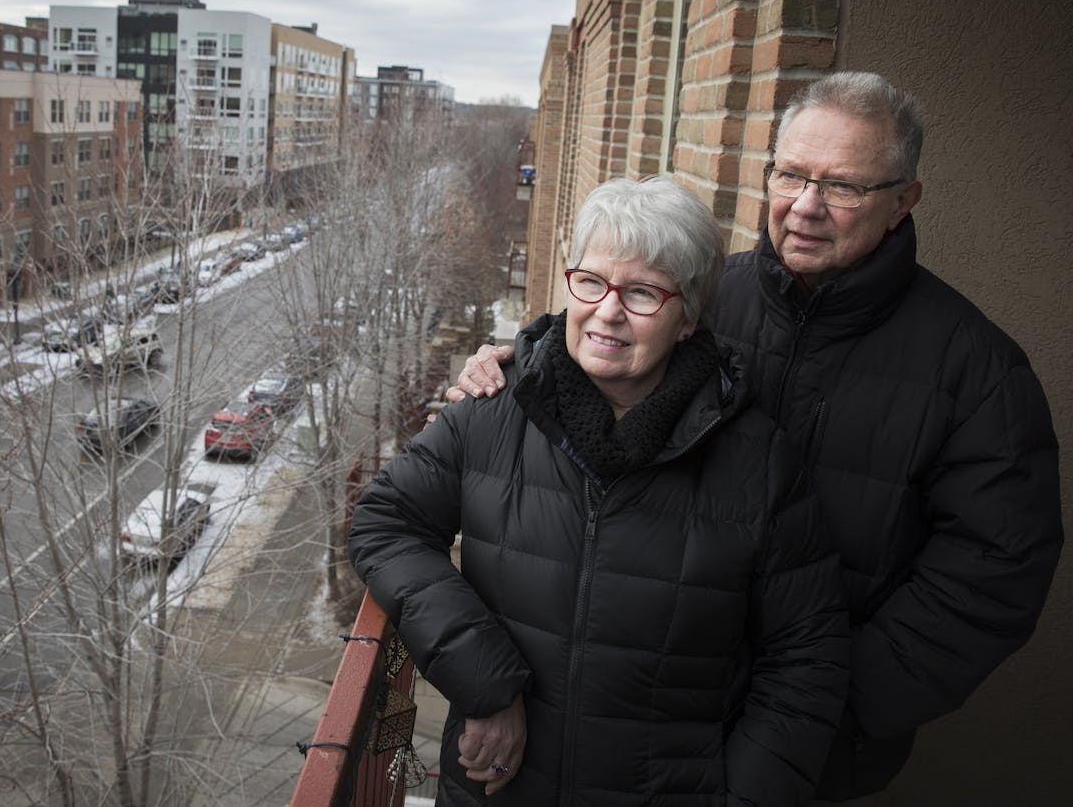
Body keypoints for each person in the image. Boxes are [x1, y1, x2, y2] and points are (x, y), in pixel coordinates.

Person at [449, 72, 1063, 800]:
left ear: (904, 200)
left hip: (815, 752)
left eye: (842, 187)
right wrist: (513, 362)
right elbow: (592, 350)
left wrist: (824, 707)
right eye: (791, 174)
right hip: (646, 732)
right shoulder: (703, 299)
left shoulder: (976, 369)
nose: (806, 206)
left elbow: (995, 576)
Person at [351, 177, 849, 805]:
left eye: (642, 292)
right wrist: (487, 682)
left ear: (689, 315)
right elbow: (384, 523)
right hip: (495, 788)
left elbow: (807, 657)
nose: (607, 311)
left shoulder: (758, 462)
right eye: (590, 281)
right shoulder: (493, 410)